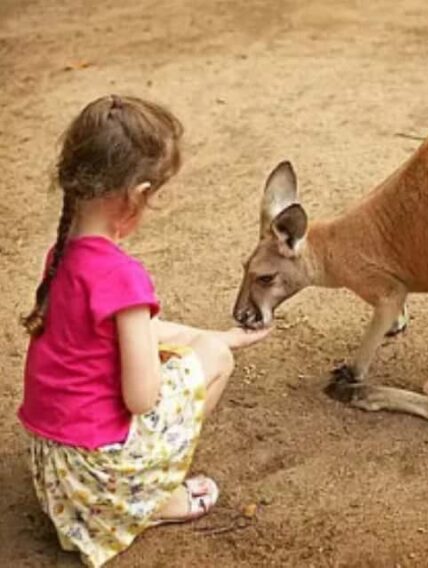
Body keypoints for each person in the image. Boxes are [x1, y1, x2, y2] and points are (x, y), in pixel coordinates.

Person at [17, 94, 270, 567]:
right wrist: (213, 348)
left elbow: (122, 333)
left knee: (211, 348)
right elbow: (140, 398)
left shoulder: (63, 256)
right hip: (101, 475)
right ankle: (153, 500)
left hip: (58, 472)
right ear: (136, 194)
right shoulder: (121, 275)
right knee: (216, 361)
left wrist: (206, 335)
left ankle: (126, 497)